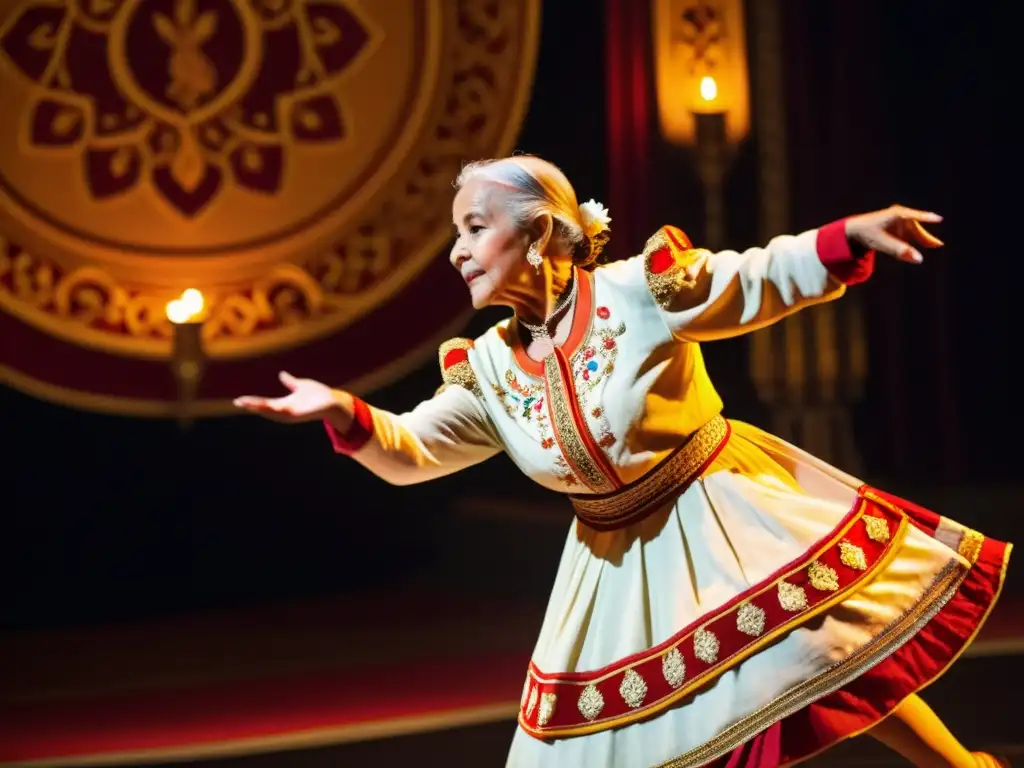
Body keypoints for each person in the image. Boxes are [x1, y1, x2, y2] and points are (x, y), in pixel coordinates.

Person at [235, 155, 1011, 768]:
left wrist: (841, 239)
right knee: (604, 742)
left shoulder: (636, 291)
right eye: (457, 233)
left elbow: (751, 280)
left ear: (539, 234)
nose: (457, 250)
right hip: (609, 560)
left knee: (812, 647)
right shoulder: (490, 369)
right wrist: (343, 412)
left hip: (714, 509)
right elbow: (411, 450)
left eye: (473, 228)